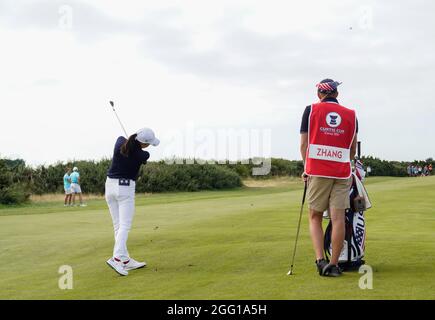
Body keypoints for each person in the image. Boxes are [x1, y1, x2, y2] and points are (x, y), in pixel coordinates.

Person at [300, 78, 358, 277]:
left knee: (315, 217)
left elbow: (304, 145)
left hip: (317, 170)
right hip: (342, 172)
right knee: (338, 218)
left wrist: (306, 168)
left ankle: (320, 260)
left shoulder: (311, 110)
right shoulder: (351, 115)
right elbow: (352, 149)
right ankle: (333, 265)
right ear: (337, 94)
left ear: (319, 94)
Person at [105, 127, 160, 276]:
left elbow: (124, 140)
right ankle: (116, 258)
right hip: (125, 189)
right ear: (145, 143)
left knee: (118, 225)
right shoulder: (142, 154)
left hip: (109, 188)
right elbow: (143, 155)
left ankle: (124, 259)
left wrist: (133, 141)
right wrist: (138, 146)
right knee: (124, 225)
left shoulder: (119, 142)